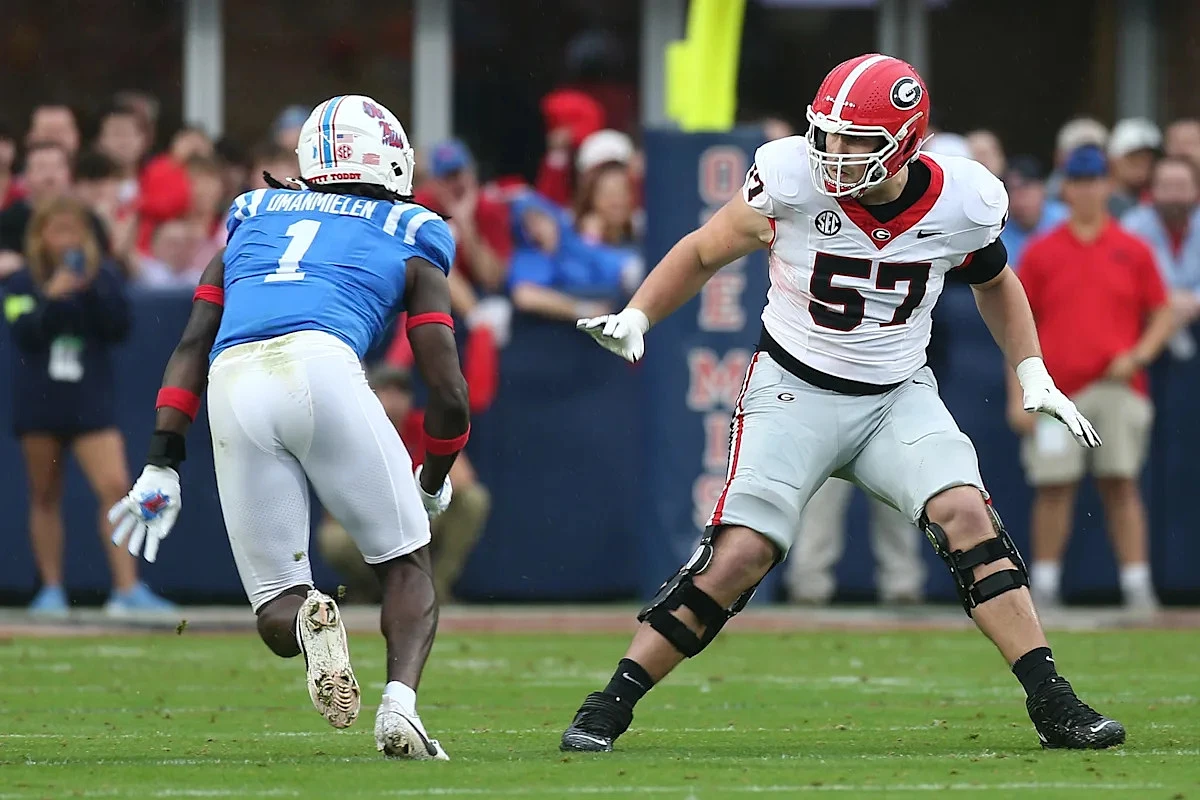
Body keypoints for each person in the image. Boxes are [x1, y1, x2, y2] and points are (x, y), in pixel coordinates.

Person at [562, 53, 1123, 754]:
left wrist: (1031, 368)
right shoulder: (792, 179)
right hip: (792, 390)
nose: (832, 153)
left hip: (896, 397)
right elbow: (705, 251)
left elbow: (994, 280)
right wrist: (640, 313)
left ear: (907, 142)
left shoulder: (962, 201)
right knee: (739, 554)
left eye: (855, 141)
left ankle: (1052, 699)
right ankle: (610, 702)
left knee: (967, 516)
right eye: (826, 134)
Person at [106, 95, 469, 760]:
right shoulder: (413, 228)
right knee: (404, 562)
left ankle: (309, 619)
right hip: (323, 366)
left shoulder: (254, 212)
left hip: (233, 378)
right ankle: (399, 709)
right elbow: (448, 391)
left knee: (277, 607)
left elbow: (191, 345)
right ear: (389, 156)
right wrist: (433, 478)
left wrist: (162, 459)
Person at [1012, 145, 1174, 611]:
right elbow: (1018, 323)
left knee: (1120, 482)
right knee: (1053, 487)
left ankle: (1137, 585)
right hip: (1055, 390)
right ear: (1066, 188)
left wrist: (1138, 355)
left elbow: (1162, 313)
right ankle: (1045, 585)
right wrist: (1017, 393)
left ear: (1107, 185)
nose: (1086, 190)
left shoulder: (1133, 249)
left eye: (1094, 180)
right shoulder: (1042, 252)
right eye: (1078, 181)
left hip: (1116, 387)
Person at [2, 197, 173, 616]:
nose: (66, 239)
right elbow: (24, 332)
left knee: (115, 487)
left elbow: (120, 326)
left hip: (89, 402)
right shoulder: (22, 282)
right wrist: (53, 297)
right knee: (44, 494)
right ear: (40, 236)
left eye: (73, 230)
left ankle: (127, 588)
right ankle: (51, 589)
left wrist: (88, 288)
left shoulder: (102, 278)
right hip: (40, 403)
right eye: (57, 229)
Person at [318, 364, 490, 603]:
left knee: (473, 499)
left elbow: (463, 478)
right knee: (333, 538)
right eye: (386, 391)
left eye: (401, 392)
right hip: (374, 525)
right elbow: (335, 506)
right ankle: (378, 591)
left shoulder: (424, 425)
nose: (395, 400)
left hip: (420, 518)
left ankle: (434, 589)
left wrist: (421, 494)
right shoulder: (354, 432)